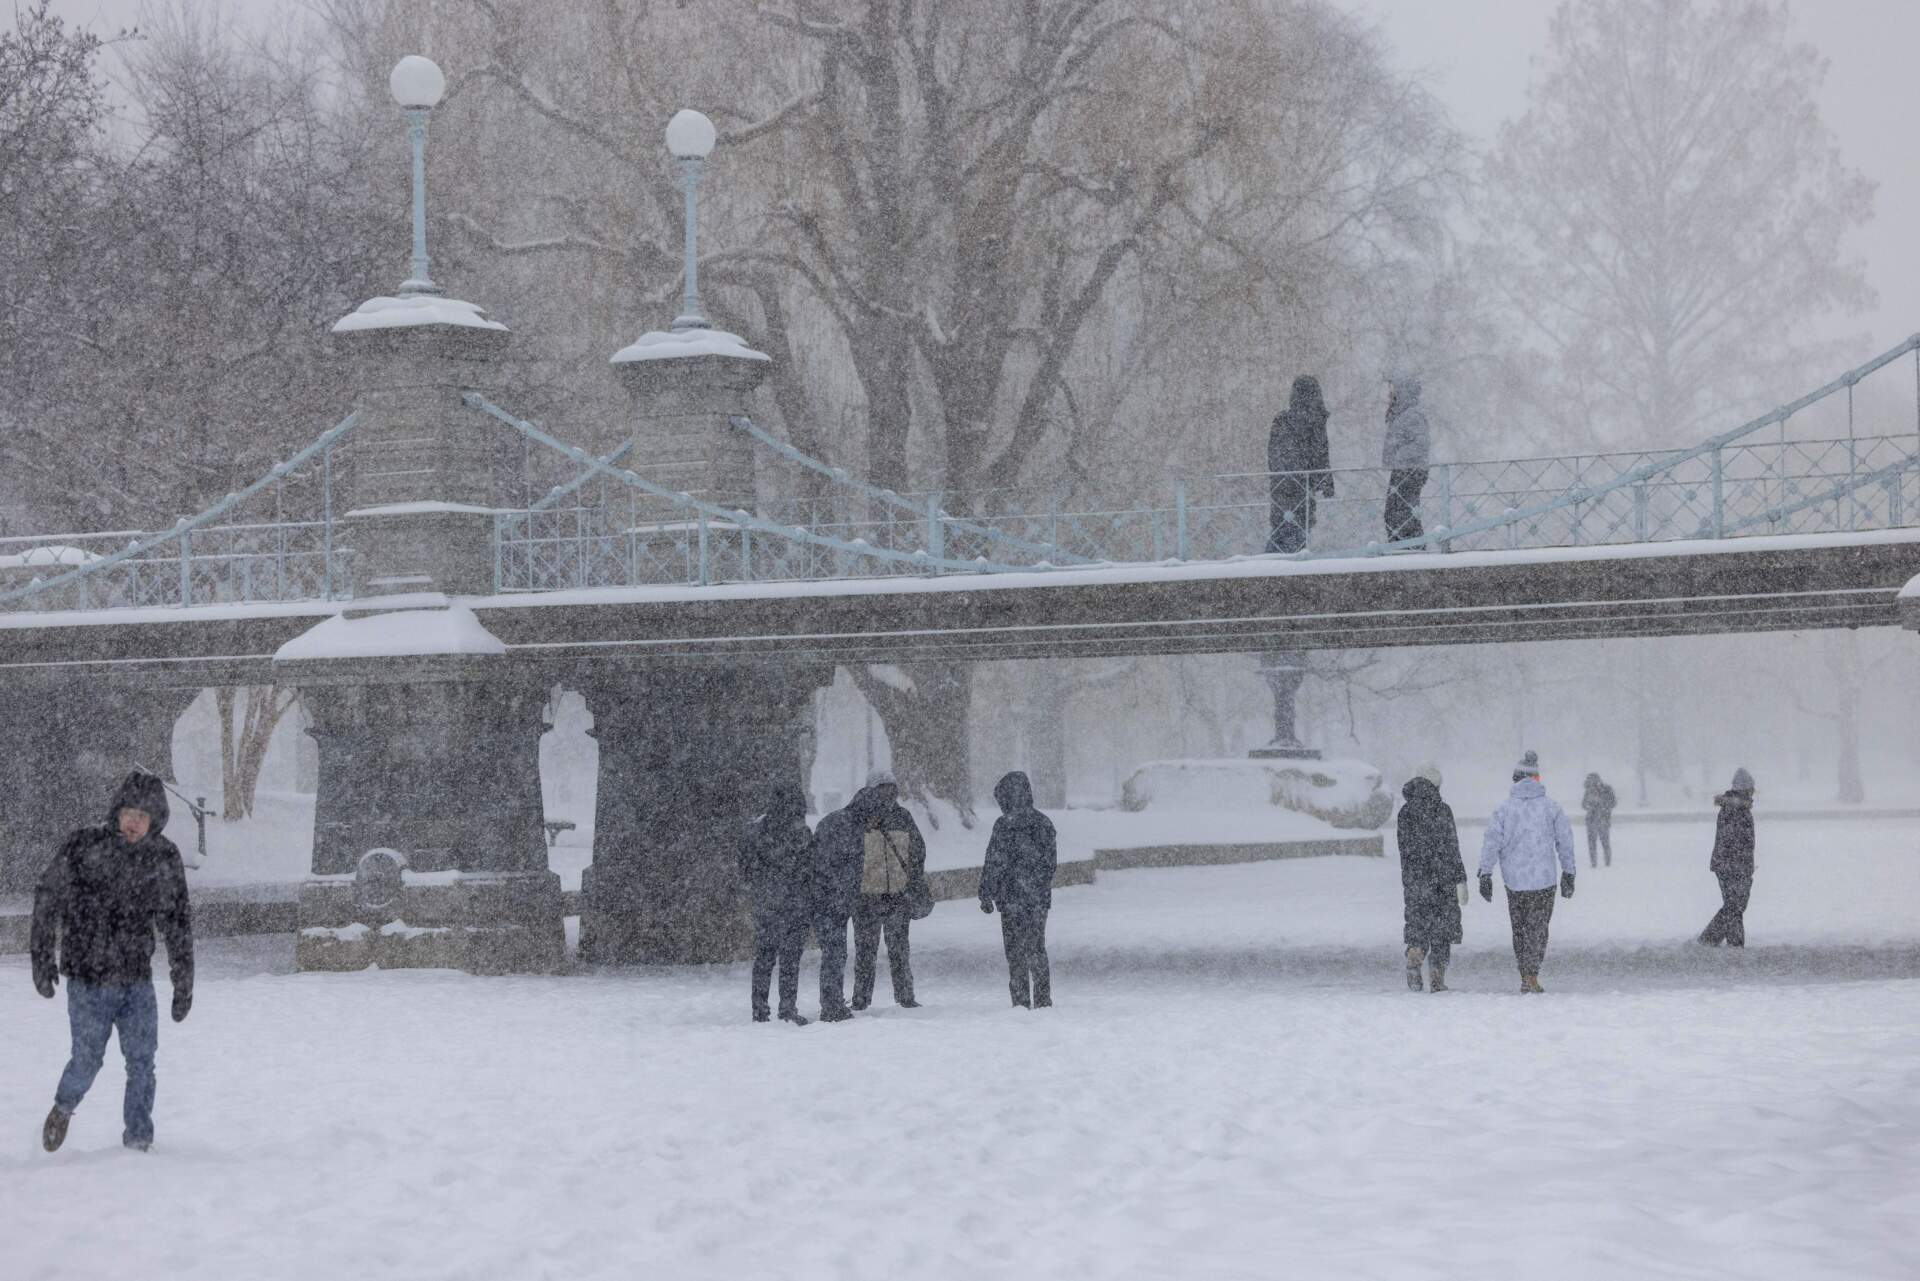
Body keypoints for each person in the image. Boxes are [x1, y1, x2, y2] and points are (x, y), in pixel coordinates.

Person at [30, 770, 194, 1153]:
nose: (134, 822)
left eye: (143, 815)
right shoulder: (85, 846)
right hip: (88, 980)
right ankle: (63, 1106)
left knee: (142, 1063)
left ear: (155, 820)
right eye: (128, 812)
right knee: (86, 1061)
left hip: (136, 981)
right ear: (117, 812)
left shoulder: (164, 857)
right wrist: (41, 956)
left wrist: (183, 980)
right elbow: (47, 897)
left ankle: (138, 1140)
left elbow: (178, 921)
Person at [1477, 750, 1575, 994]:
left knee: (1519, 929)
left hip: (1515, 882)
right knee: (1539, 929)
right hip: (1544, 881)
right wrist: (1569, 872)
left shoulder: (1504, 809)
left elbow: (1492, 842)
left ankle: (1525, 973)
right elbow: (1565, 841)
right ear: (1537, 779)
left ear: (1516, 780)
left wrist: (1485, 873)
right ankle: (1532, 973)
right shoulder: (1551, 808)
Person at [849, 769, 929, 1011]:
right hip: (881, 894)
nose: (888, 793)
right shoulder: (895, 816)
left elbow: (917, 851)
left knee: (880, 950)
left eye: (890, 788)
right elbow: (918, 851)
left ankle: (866, 998)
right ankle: (899, 996)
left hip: (879, 894)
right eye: (884, 788)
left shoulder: (858, 815)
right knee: (882, 949)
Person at [979, 771, 1058, 1008]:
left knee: (1015, 952)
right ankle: (1043, 999)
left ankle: (1020, 1000)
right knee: (1036, 948)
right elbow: (1050, 864)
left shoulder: (1004, 825)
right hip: (1037, 899)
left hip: (1011, 898)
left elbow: (994, 861)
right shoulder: (1043, 823)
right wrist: (1037, 886)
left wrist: (986, 891)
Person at [738, 782, 814, 1025]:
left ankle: (761, 1010)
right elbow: (808, 867)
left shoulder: (755, 831)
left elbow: (746, 869)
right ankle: (786, 1008)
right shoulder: (799, 832)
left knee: (765, 958)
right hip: (792, 903)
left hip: (769, 902)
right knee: (788, 959)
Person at [1397, 765, 1466, 993]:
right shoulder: (1442, 810)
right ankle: (1437, 977)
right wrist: (1460, 878)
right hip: (1442, 879)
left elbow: (1404, 849)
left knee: (1417, 922)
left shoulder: (1405, 813)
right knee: (1441, 930)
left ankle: (1415, 953)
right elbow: (1452, 847)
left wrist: (1413, 875)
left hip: (1415, 879)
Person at [1266, 375, 1334, 553]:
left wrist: (1283, 474)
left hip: (1282, 486)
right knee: (1296, 531)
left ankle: (1270, 568)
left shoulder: (1283, 419)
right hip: (1302, 486)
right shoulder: (1316, 420)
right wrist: (1325, 481)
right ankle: (1281, 567)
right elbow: (1320, 454)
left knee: (1282, 531)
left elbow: (1274, 455)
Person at [1699, 768, 1756, 947]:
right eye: (1751, 788)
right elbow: (1732, 839)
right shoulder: (1734, 809)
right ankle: (1722, 942)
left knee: (1735, 906)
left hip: (1734, 865)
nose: (1754, 792)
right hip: (1731, 866)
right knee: (1735, 906)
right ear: (1744, 789)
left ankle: (1717, 941)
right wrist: (1740, 864)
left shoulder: (1738, 808)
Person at [1382, 373, 1432, 543]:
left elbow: (1421, 444)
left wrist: (1398, 456)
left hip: (1409, 471)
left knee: (1400, 514)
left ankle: (1407, 550)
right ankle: (1406, 548)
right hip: (1404, 470)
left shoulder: (1411, 415)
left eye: (1394, 390)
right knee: (1399, 514)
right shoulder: (1404, 414)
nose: (1390, 394)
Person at [1582, 772, 1618, 868]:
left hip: (1603, 820)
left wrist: (1602, 805)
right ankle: (1593, 863)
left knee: (1605, 842)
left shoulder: (1607, 790)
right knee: (1592, 844)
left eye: (1593, 782)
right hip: (1591, 821)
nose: (1592, 785)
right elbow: (1583, 805)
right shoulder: (1588, 791)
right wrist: (1591, 805)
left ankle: (1607, 863)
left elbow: (1613, 802)